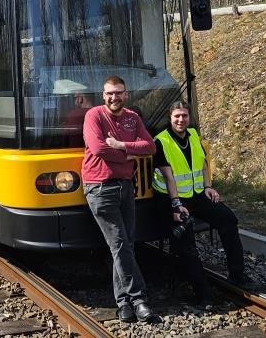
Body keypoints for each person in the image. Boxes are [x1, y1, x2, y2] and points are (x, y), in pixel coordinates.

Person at [152, 101, 256, 300]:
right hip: (171, 198)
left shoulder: (193, 135)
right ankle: (202, 292)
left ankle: (237, 274)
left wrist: (208, 187)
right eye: (176, 116)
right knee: (185, 239)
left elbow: (203, 164)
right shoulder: (161, 141)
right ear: (169, 118)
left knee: (228, 219)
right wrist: (176, 205)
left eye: (184, 116)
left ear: (189, 117)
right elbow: (169, 177)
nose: (181, 120)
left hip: (196, 194)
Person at [81, 75, 159, 323]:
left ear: (126, 95)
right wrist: (128, 155)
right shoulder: (93, 115)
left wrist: (121, 145)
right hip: (100, 187)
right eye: (110, 93)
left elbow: (150, 147)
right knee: (120, 244)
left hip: (126, 187)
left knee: (125, 245)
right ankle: (139, 299)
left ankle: (123, 302)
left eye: (119, 93)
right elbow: (98, 149)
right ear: (103, 96)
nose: (114, 97)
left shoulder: (132, 118)